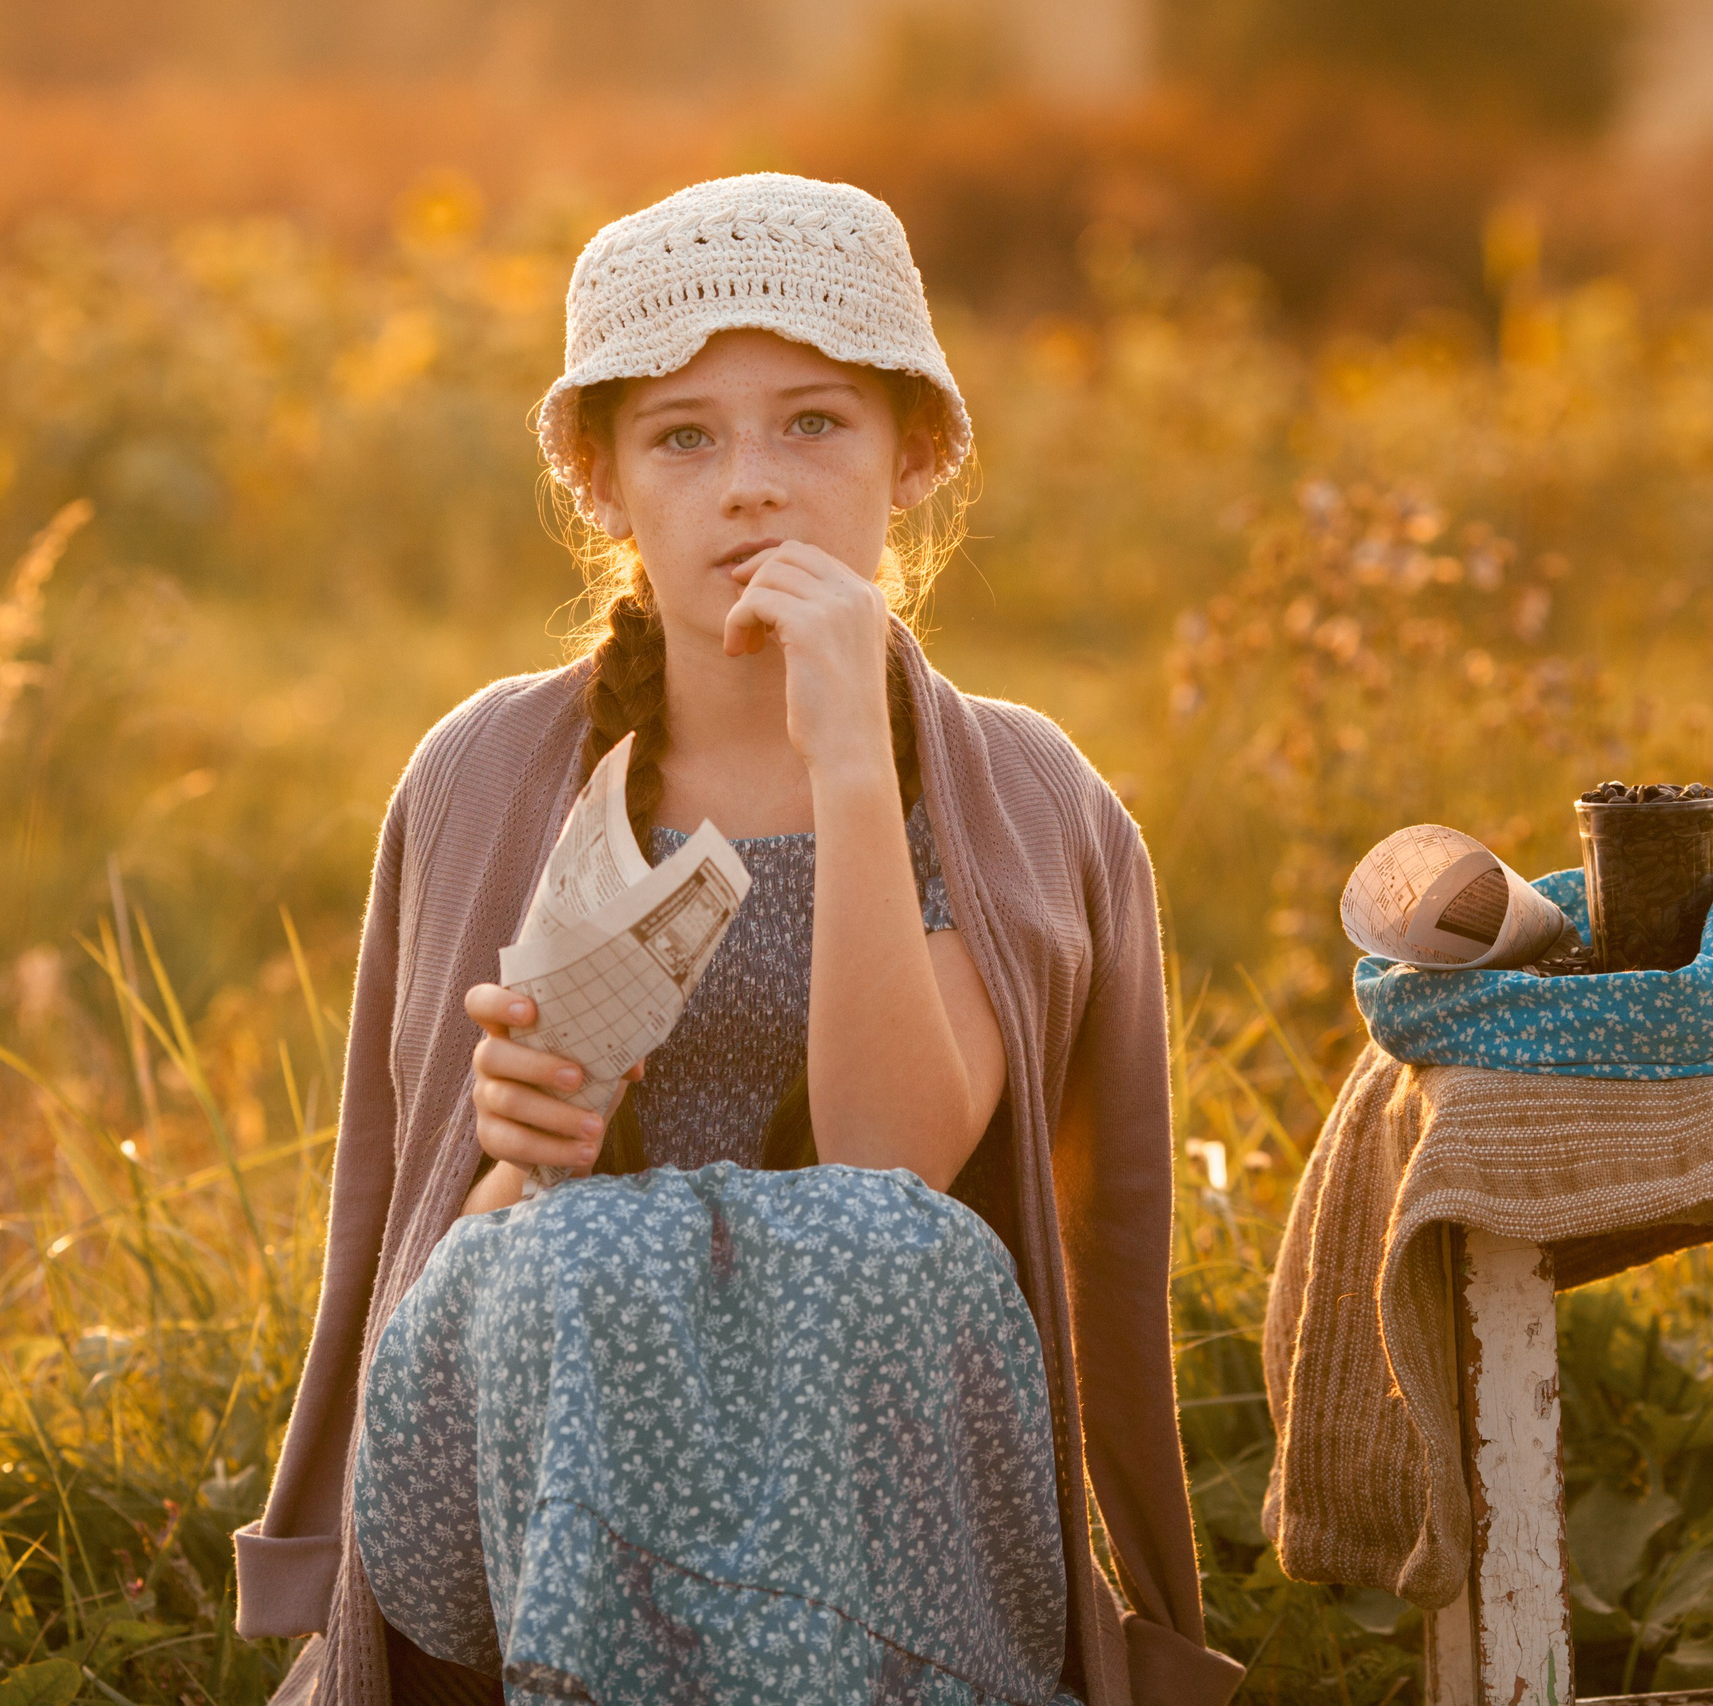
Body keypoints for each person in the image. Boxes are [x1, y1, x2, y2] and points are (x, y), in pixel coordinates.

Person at [231, 174, 1244, 1706]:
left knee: (870, 1254)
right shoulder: (483, 776)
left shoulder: (1017, 791)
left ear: (912, 454)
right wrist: (522, 1149)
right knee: (569, 1262)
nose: (750, 486)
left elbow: (890, 1169)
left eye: (814, 424)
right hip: (564, 1410)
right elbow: (455, 1253)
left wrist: (849, 758)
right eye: (683, 436)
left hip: (870, 1437)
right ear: (602, 478)